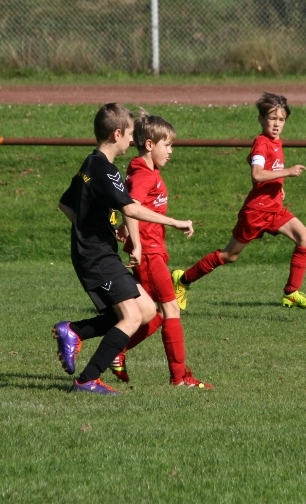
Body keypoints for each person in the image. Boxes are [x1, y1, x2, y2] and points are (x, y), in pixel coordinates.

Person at [53, 103, 195, 396]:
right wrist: (174, 222)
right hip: (97, 257)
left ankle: (75, 331)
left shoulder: (90, 163)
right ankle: (87, 379)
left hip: (95, 252)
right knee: (131, 317)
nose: (132, 141)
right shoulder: (106, 170)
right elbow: (132, 207)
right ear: (117, 133)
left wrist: (96, 226)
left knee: (144, 310)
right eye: (129, 134)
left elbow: (66, 204)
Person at [172, 92, 306, 310]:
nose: (277, 124)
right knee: (229, 255)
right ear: (261, 119)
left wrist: (278, 186)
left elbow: (261, 165)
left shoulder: (275, 142)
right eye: (272, 118)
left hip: (274, 208)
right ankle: (183, 279)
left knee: (305, 238)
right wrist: (287, 172)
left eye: (281, 120)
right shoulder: (262, 143)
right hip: (256, 212)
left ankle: (291, 293)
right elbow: (257, 174)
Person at [108, 112, 211, 388]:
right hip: (150, 254)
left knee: (155, 314)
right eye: (168, 145)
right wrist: (139, 244)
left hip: (153, 251)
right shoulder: (144, 173)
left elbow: (131, 208)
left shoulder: (146, 170)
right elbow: (131, 203)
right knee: (172, 309)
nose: (171, 151)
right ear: (151, 145)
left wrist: (127, 230)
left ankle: (117, 350)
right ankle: (179, 379)